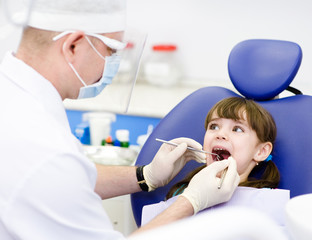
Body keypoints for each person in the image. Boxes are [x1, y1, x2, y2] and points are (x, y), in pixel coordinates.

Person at [0, 1, 240, 239]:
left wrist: (146, 175)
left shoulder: (13, 93)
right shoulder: (47, 151)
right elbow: (57, 173)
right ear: (73, 46)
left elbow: (68, 178)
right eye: (111, 52)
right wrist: (190, 201)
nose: (112, 64)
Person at [141, 97, 290, 228]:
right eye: (214, 127)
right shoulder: (185, 192)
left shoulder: (266, 202)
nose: (220, 134)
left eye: (237, 129)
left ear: (261, 151)